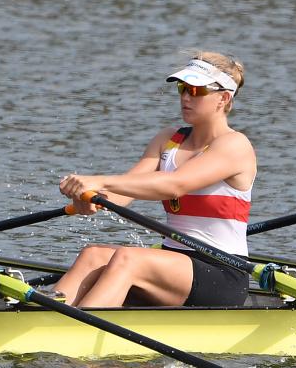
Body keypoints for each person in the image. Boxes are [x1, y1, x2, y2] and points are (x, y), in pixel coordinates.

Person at [53, 52, 256, 307]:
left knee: (129, 258)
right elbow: (126, 190)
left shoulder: (235, 145)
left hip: (221, 272)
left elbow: (174, 186)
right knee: (93, 255)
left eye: (196, 90)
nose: (185, 97)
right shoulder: (169, 139)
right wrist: (92, 199)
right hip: (173, 262)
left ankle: (73, 333)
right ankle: (38, 319)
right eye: (183, 88)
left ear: (223, 98)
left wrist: (99, 181)